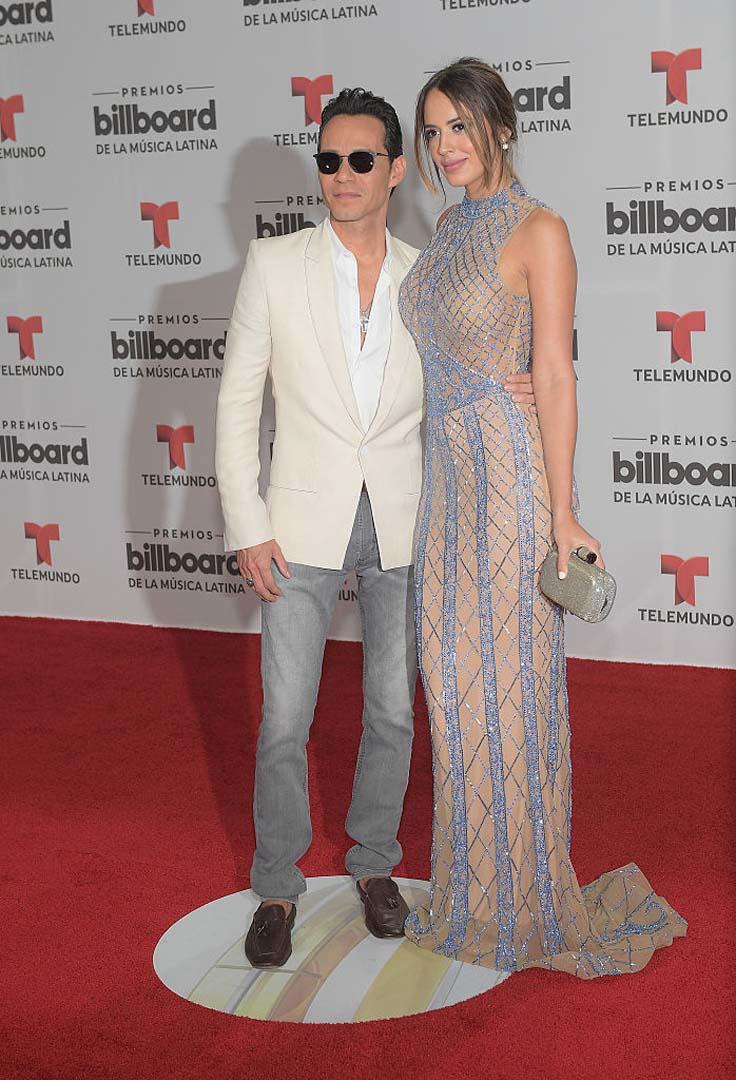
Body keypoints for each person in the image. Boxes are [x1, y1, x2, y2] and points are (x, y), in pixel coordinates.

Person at [215, 87, 537, 968]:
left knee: (393, 710)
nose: (343, 175)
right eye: (329, 160)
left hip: (405, 516)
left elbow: (471, 372)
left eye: (363, 159)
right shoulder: (273, 264)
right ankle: (277, 884)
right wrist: (247, 524)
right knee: (286, 718)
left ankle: (374, 863)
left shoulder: (424, 277)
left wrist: (518, 387)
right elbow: (238, 402)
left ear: (396, 171)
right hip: (298, 522)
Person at [399, 58, 687, 977]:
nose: (445, 146)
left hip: (509, 484)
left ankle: (520, 901)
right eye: (433, 131)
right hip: (446, 485)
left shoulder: (541, 230)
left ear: (501, 126)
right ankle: (471, 889)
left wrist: (564, 513)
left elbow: (555, 372)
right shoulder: (448, 228)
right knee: (452, 687)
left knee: (509, 690)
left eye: (459, 126)